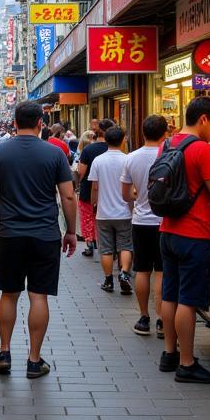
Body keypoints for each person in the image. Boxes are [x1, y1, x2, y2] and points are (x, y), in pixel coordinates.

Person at [0, 100, 77, 378]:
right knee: (38, 295)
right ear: (40, 123)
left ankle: (4, 352)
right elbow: (68, 196)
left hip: (9, 233)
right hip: (45, 233)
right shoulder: (55, 154)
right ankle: (34, 360)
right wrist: (71, 230)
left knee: (9, 293)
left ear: (15, 122)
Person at [159, 97, 210, 384]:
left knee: (170, 294)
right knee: (188, 301)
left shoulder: (169, 144)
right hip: (194, 233)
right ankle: (187, 363)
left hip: (167, 231)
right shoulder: (202, 149)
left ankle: (169, 352)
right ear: (203, 119)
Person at [122, 114, 169, 336]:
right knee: (161, 272)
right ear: (165, 133)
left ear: (143, 132)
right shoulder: (170, 155)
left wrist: (139, 194)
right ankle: (162, 319)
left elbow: (125, 195)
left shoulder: (131, 158)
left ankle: (143, 317)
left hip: (140, 221)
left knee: (142, 270)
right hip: (164, 222)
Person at [89, 125, 133, 295]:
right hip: (124, 212)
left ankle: (108, 280)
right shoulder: (127, 159)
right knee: (126, 245)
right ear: (123, 140)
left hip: (104, 212)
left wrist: (94, 205)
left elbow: (94, 187)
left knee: (106, 248)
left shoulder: (98, 160)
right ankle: (124, 274)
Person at [76, 120, 110, 257]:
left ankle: (90, 244)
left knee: (88, 217)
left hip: (88, 189)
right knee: (103, 218)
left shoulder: (88, 150)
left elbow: (81, 171)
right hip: (108, 190)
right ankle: (105, 244)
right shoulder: (113, 149)